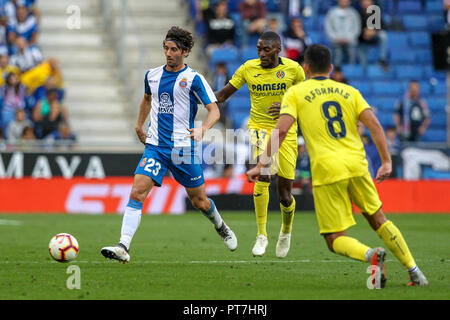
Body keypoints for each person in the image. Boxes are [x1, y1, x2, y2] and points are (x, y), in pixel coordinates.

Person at [247, 44, 428, 287]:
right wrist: (386, 161)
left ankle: (370, 255)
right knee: (378, 219)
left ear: (305, 67)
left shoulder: (296, 93)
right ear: (331, 68)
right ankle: (415, 272)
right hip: (357, 163)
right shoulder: (349, 91)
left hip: (327, 168)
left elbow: (280, 131)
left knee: (334, 238)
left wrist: (262, 164)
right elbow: (374, 124)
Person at [101, 26, 237, 263]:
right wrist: (138, 125)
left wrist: (204, 129)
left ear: (185, 51)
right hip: (156, 146)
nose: (168, 53)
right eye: (166, 48)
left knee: (199, 201)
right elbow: (146, 99)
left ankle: (220, 224)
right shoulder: (152, 75)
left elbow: (214, 110)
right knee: (137, 191)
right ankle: (124, 245)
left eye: (174, 49)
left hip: (183, 149)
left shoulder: (194, 79)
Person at [215, 31, 306, 258]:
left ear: (278, 50)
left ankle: (285, 231)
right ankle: (262, 235)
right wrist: (196, 96)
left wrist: (289, 108)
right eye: (259, 49)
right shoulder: (248, 68)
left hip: (286, 132)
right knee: (263, 174)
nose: (262, 53)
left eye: (266, 49)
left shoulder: (294, 70)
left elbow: (306, 101)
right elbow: (224, 94)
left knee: (285, 194)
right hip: (258, 129)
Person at [325, 0, 361, 67]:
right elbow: (328, 28)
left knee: (352, 51)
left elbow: (357, 28)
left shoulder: (354, 13)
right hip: (336, 40)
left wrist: (349, 38)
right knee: (337, 51)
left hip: (350, 40)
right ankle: (337, 70)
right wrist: (336, 38)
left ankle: (352, 68)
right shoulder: (332, 12)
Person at [358, 0, 389, 70]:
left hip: (374, 38)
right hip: (361, 39)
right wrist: (364, 33)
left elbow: (384, 26)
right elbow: (355, 28)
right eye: (364, 1)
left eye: (368, 1)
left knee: (383, 35)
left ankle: (382, 60)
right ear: (361, 3)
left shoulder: (375, 12)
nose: (366, 3)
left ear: (372, 2)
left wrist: (374, 31)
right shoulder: (357, 14)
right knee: (363, 66)